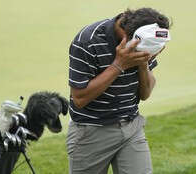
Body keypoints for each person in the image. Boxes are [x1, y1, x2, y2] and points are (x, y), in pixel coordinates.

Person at [67, 8, 170, 174]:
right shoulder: (88, 41)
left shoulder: (145, 40)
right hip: (90, 132)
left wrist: (143, 63)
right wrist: (119, 65)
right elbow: (79, 99)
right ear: (126, 35)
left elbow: (145, 94)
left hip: (131, 127)